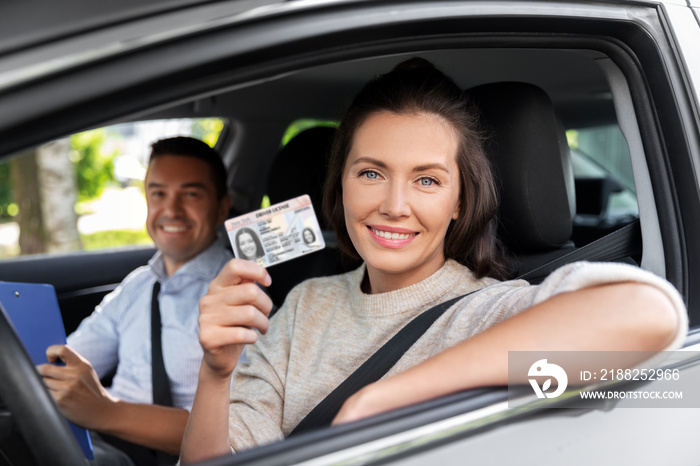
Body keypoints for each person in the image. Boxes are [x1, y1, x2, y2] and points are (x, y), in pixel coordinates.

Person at [179, 59, 687, 463]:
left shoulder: (487, 311)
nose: (394, 204)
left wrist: (380, 400)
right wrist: (216, 374)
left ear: (459, 202)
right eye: (372, 173)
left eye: (427, 180)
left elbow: (651, 315)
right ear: (340, 185)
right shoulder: (302, 306)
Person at [37, 136, 233, 465]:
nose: (171, 209)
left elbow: (236, 431)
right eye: (158, 193)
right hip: (103, 447)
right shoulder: (138, 285)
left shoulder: (240, 292)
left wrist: (104, 411)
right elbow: (64, 360)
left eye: (191, 194)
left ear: (222, 207)